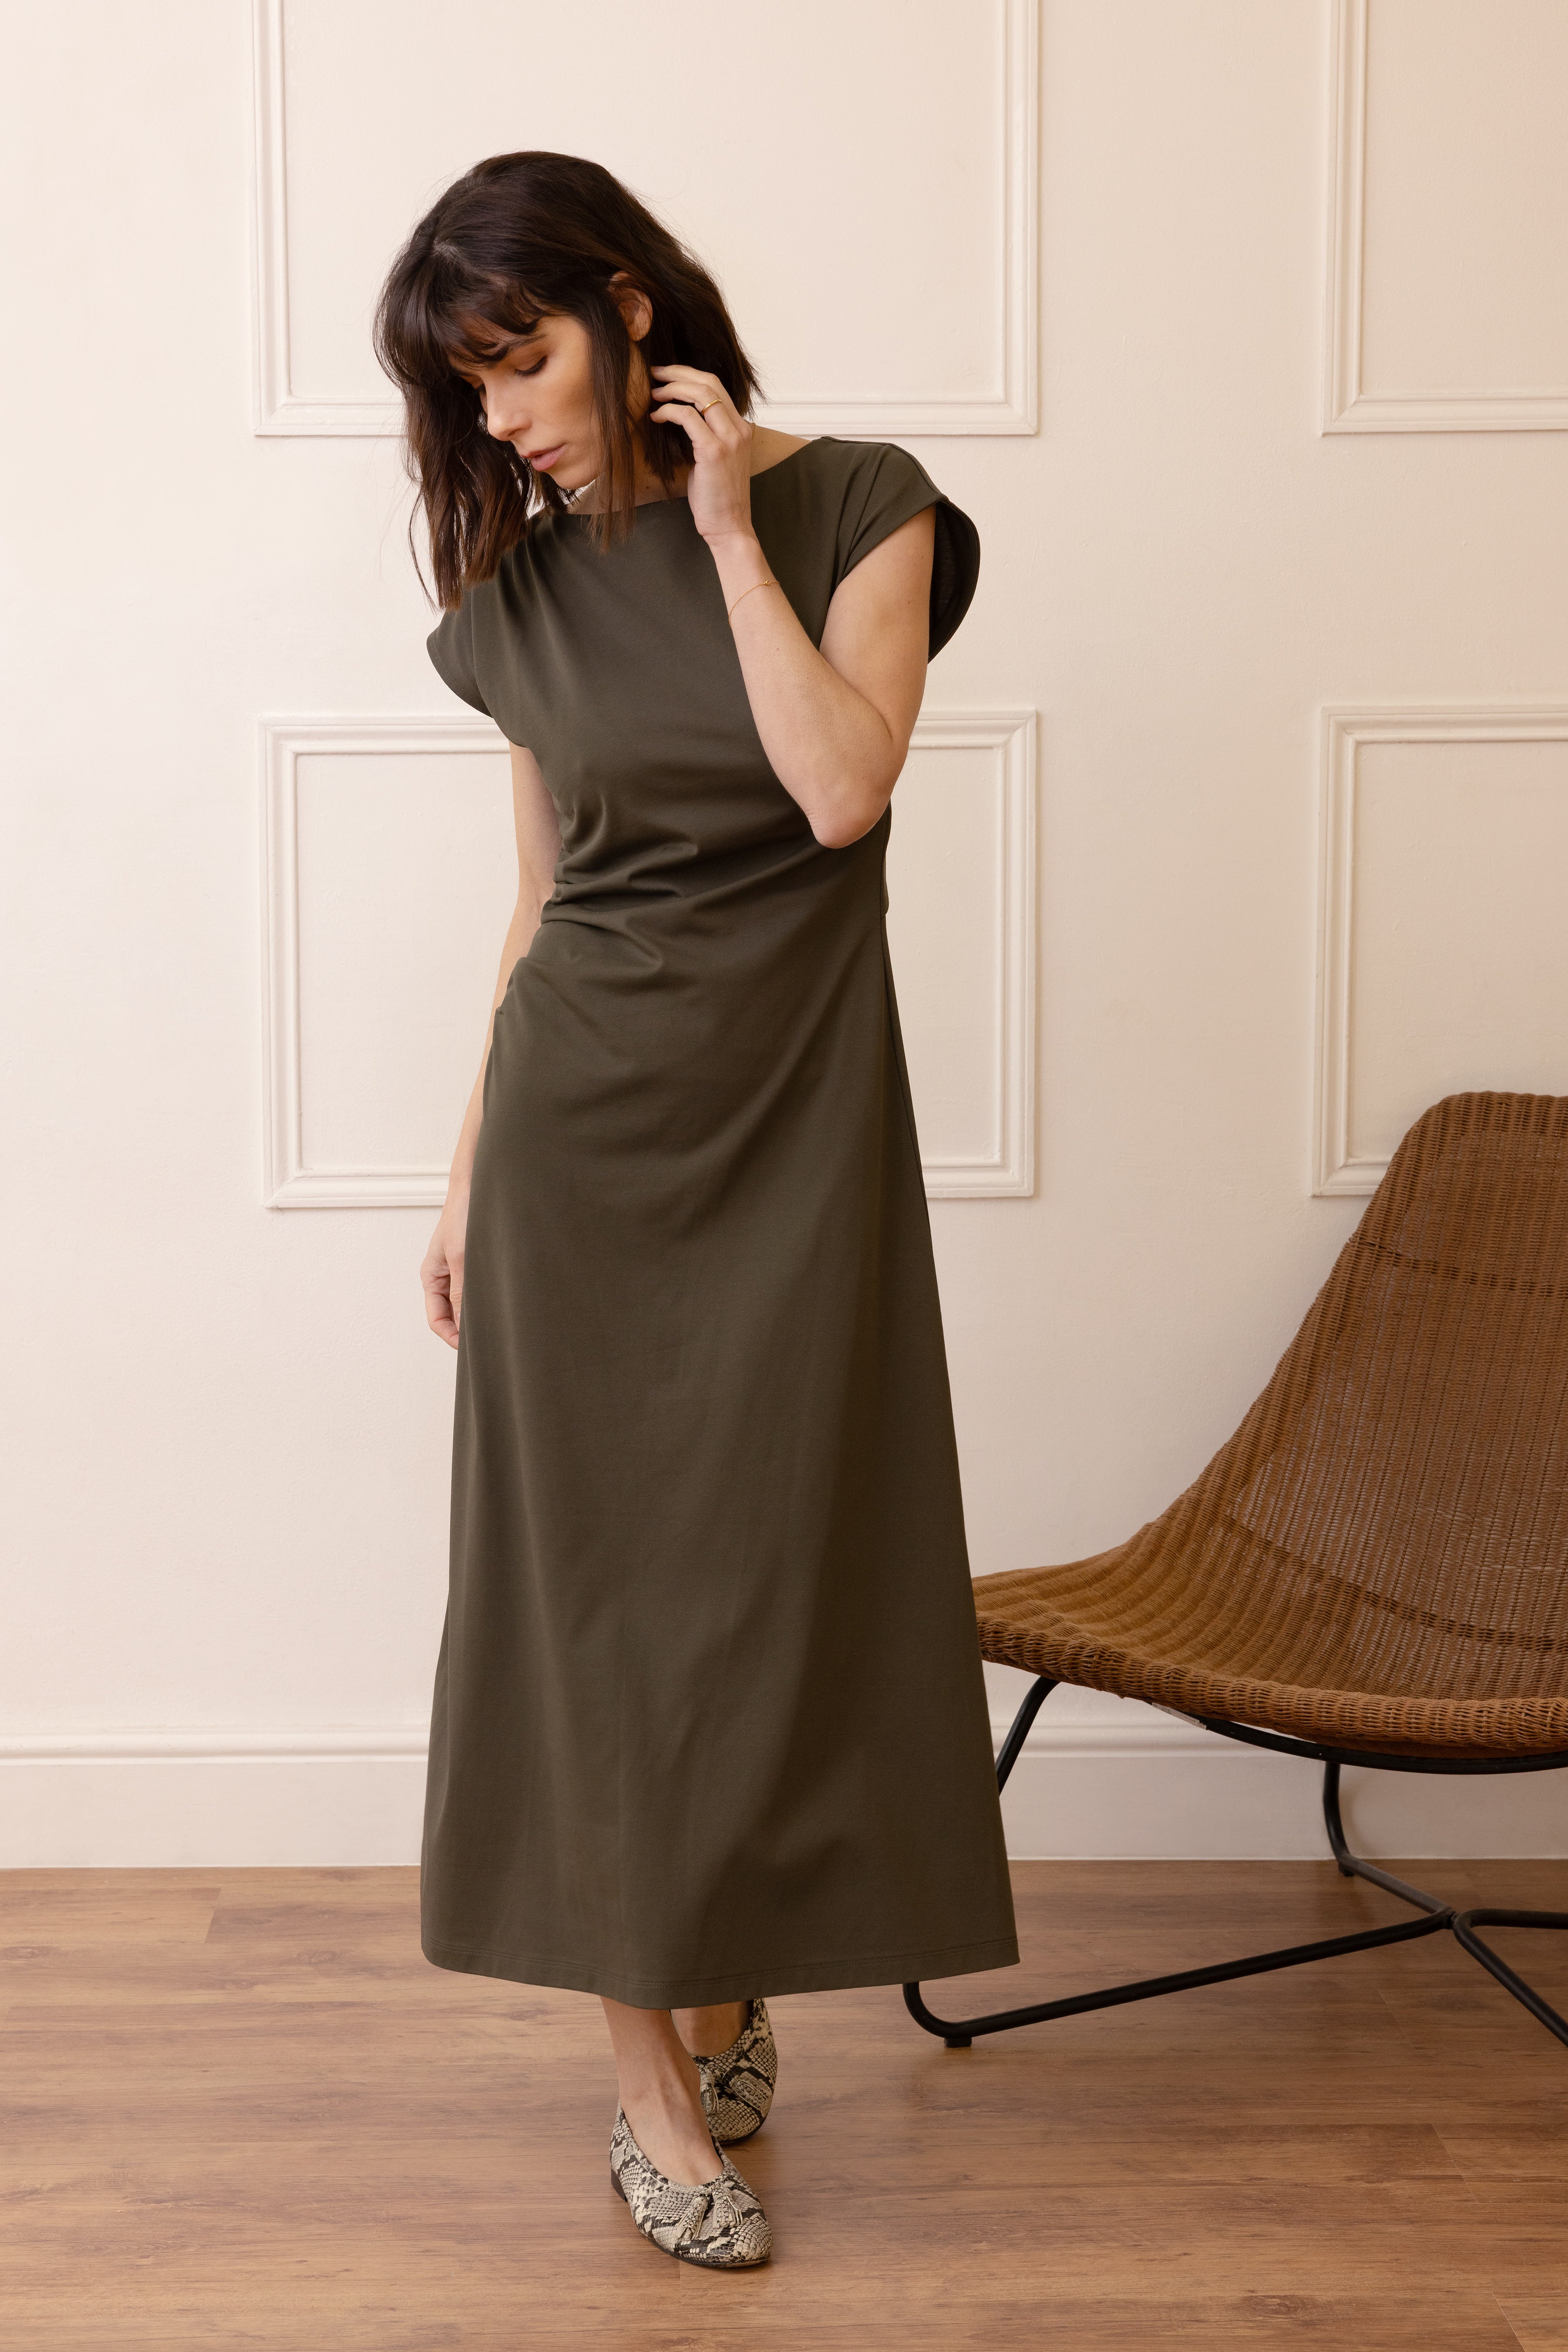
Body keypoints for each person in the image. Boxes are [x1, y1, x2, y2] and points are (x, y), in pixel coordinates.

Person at [374, 149, 1018, 2271]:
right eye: (467, 394)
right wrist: (468, 1172)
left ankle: (730, 1983)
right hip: (582, 1142)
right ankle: (647, 2076)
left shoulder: (862, 507)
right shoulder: (518, 607)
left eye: (524, 361)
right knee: (598, 1610)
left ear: (630, 305)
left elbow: (841, 788)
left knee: (773, 1575)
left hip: (798, 1132)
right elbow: (539, 912)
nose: (507, 422)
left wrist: (727, 526)